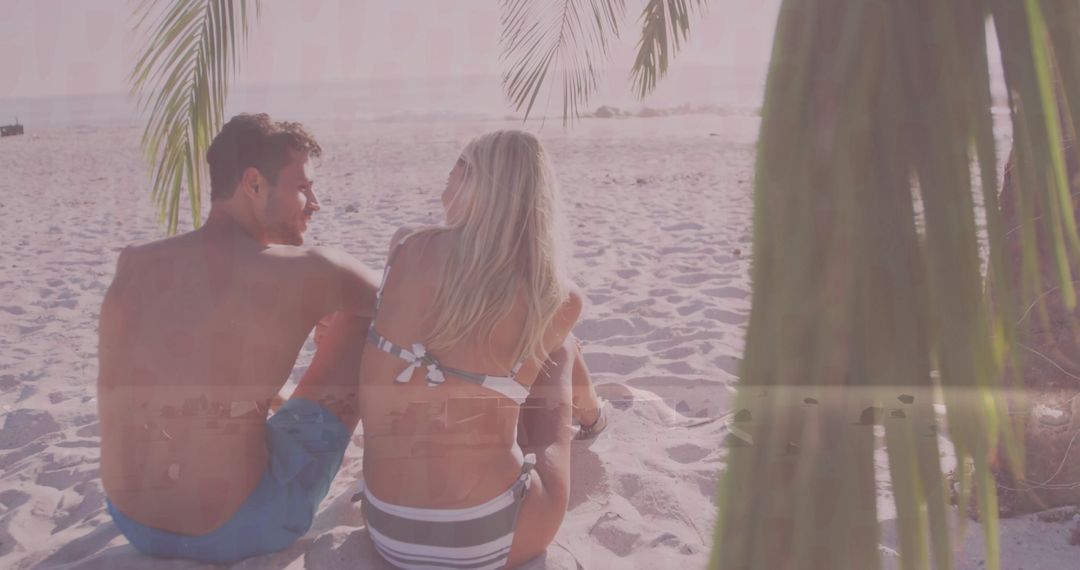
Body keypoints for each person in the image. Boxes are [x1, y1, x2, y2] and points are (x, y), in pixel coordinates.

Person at [97, 113, 378, 564]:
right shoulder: (313, 270)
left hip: (133, 521)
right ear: (254, 184)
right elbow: (411, 301)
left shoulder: (135, 263)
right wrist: (339, 320)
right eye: (303, 187)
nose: (315, 203)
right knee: (365, 321)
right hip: (239, 527)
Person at [355, 130, 606, 569]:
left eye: (457, 171)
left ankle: (589, 412)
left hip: (385, 526)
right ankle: (594, 416)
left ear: (477, 183)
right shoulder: (557, 296)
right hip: (485, 540)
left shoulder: (407, 246)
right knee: (561, 351)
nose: (447, 182)